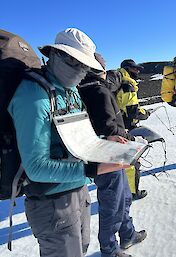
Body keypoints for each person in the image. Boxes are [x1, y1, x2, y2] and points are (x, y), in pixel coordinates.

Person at [7, 28, 126, 257]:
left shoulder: (70, 91)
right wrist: (94, 168)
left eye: (86, 66)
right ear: (56, 56)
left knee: (80, 250)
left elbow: (76, 139)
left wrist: (105, 141)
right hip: (51, 203)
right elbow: (36, 167)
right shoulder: (33, 97)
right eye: (76, 63)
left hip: (78, 192)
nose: (82, 72)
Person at [79, 55, 147, 257]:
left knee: (124, 198)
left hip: (105, 155)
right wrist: (132, 142)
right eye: (103, 66)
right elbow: (109, 128)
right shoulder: (98, 90)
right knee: (112, 205)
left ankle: (128, 234)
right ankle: (109, 250)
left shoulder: (84, 88)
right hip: (109, 156)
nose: (106, 70)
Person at [115, 59, 150, 200]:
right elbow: (132, 111)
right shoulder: (127, 85)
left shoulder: (119, 82)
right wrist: (145, 114)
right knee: (132, 162)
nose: (138, 71)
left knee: (122, 161)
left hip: (118, 126)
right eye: (135, 69)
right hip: (127, 128)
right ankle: (132, 193)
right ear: (128, 69)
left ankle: (123, 190)